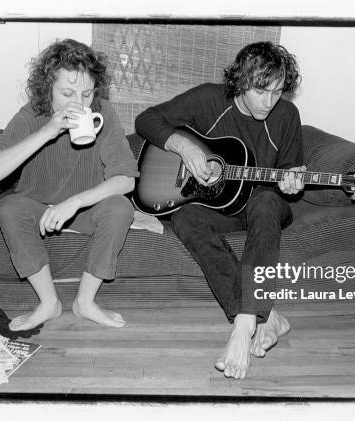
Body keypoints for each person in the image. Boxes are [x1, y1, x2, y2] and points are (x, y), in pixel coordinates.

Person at [135, 41, 305, 379]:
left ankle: (243, 326)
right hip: (221, 208)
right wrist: (184, 148)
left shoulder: (287, 116)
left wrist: (293, 181)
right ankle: (269, 317)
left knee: (267, 199)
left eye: (277, 92)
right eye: (261, 91)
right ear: (241, 81)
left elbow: (291, 171)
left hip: (263, 206)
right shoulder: (209, 99)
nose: (269, 102)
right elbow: (146, 119)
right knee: (184, 216)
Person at [0, 39, 139, 331]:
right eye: (67, 93)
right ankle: (48, 303)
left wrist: (74, 202)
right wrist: (47, 132)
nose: (79, 103)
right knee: (9, 208)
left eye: (87, 93)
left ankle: (85, 302)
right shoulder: (31, 115)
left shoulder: (103, 113)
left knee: (120, 207)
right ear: (47, 87)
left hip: (86, 208)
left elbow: (126, 179)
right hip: (37, 205)